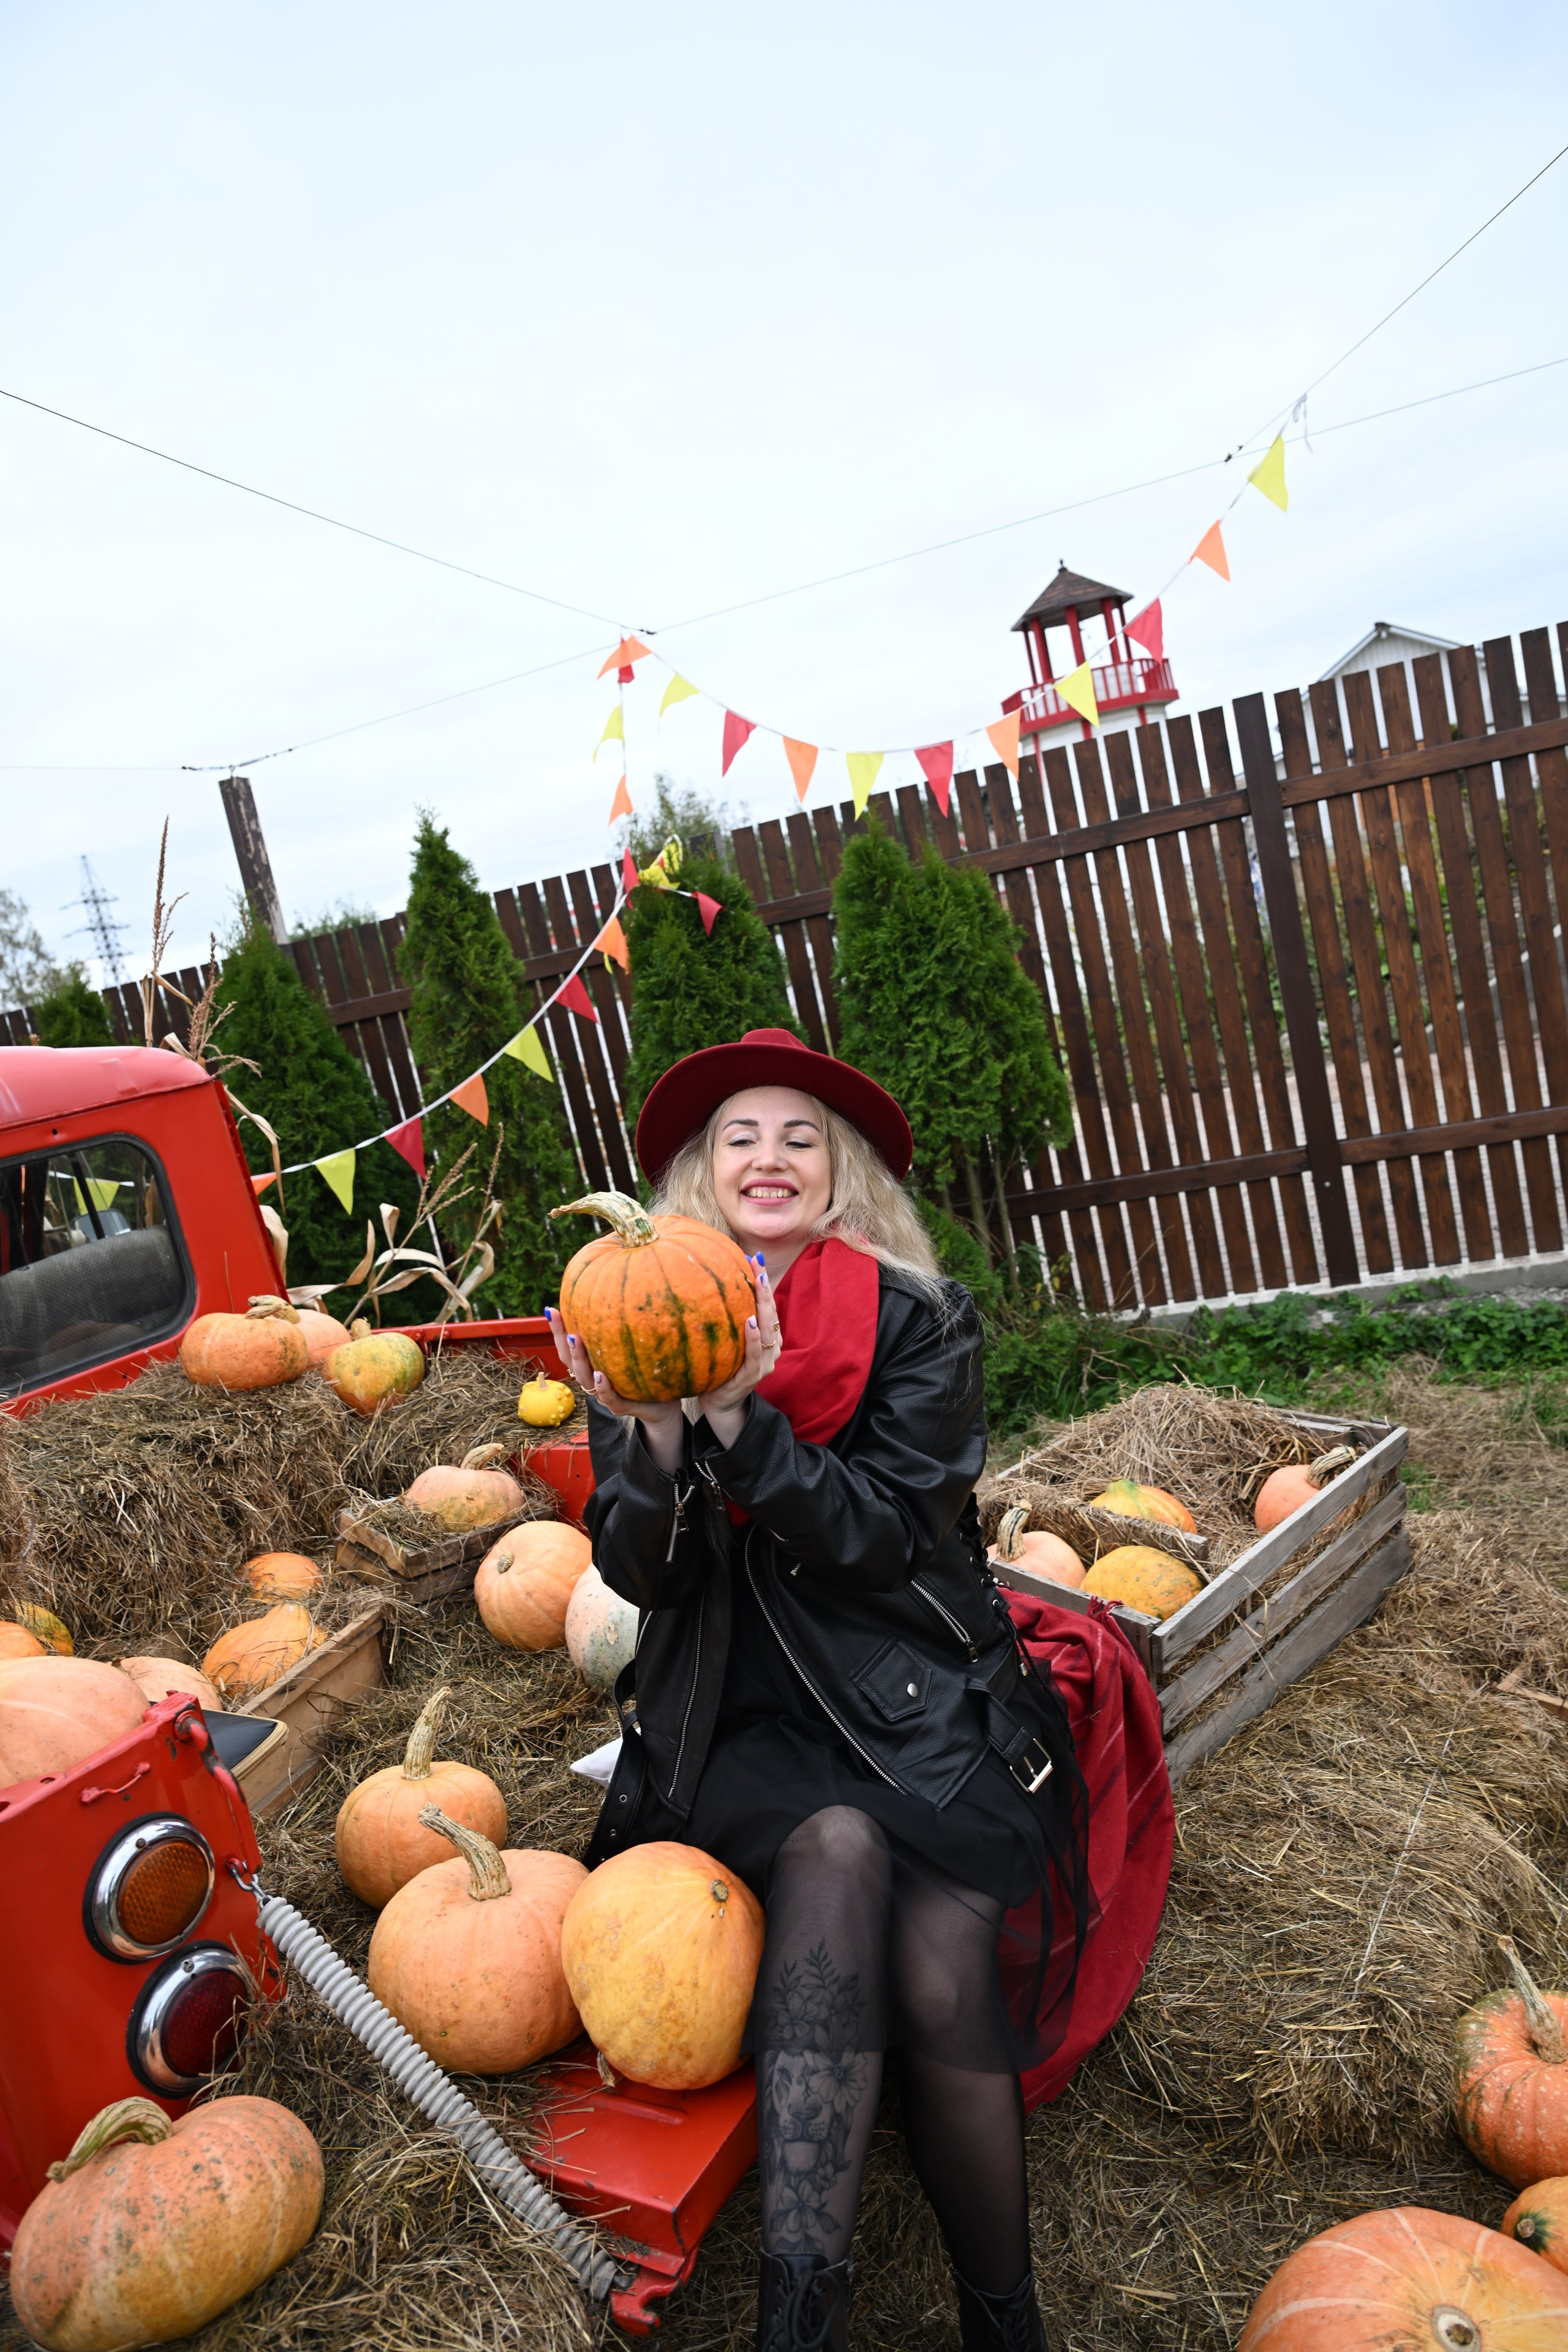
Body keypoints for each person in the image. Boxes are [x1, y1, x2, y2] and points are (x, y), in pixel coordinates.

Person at [546, 1028, 1087, 2352]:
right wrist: (658, 1434)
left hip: (906, 1710)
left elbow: (885, 1538)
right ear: (700, 1174)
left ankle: (1002, 2321)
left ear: (838, 1173)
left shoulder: (920, 1320)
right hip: (731, 1720)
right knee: (830, 1852)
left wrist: (742, 1419)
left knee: (944, 1974)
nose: (769, 1157)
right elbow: (648, 1582)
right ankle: (802, 2318)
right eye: (740, 1136)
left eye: (800, 1136)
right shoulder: (637, 1314)